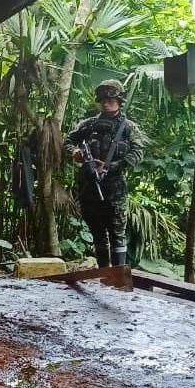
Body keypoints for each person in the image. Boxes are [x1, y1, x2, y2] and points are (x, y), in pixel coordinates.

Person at [64, 79, 144, 267]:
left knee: (117, 233)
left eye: (110, 99)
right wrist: (75, 152)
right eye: (103, 100)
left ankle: (118, 278)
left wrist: (113, 166)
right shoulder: (88, 125)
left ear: (119, 101)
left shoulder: (128, 128)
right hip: (89, 185)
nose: (106, 103)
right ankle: (103, 276)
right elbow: (68, 141)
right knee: (98, 233)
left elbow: (138, 152)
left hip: (114, 187)